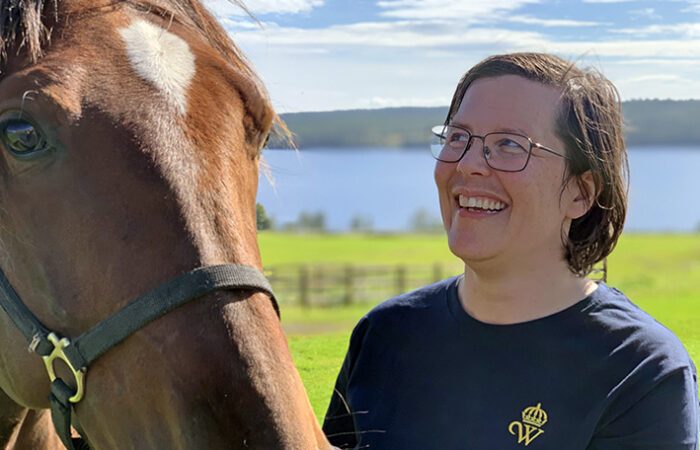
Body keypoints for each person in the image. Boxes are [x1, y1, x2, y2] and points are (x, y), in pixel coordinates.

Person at [322, 53, 699, 449]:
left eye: (508, 144)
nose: (468, 164)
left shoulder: (641, 370)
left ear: (581, 193)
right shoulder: (384, 335)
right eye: (457, 137)